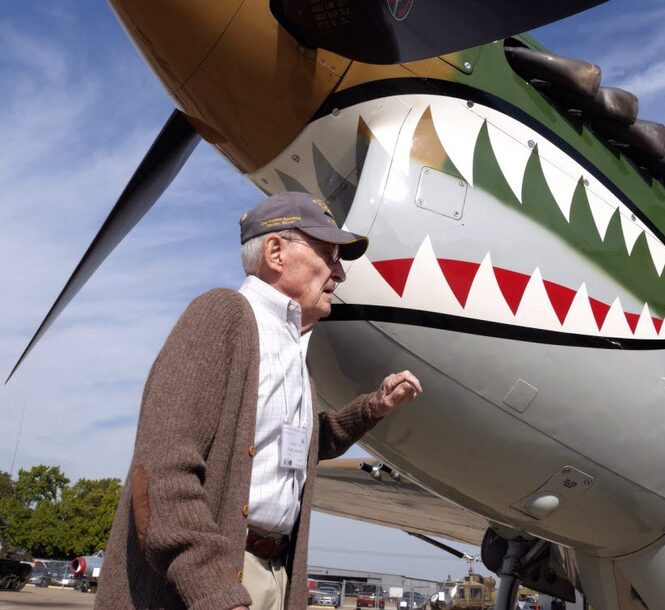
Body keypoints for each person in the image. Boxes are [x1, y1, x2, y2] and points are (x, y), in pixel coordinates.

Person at [95, 192, 422, 610]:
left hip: (272, 575)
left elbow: (292, 447)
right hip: (213, 581)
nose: (339, 272)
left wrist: (371, 408)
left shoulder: (296, 354)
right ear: (275, 252)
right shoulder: (223, 315)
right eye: (327, 253)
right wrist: (215, 591)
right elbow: (161, 474)